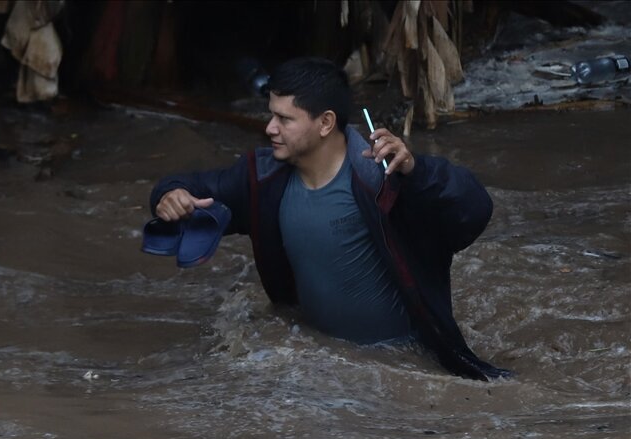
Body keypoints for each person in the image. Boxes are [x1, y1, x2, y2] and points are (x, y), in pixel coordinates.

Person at [149, 57, 510, 380]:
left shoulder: (383, 178)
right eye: (271, 114)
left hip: (404, 362)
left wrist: (417, 170)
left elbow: (473, 210)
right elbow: (191, 186)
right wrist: (169, 195)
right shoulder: (263, 179)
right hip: (318, 361)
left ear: (325, 123)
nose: (270, 128)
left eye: (284, 119)